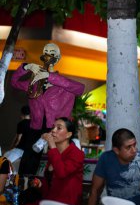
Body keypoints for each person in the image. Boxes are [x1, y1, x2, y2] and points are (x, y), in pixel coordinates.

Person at [11, 43, 85, 175]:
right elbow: (14, 82)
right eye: (46, 51)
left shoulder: (63, 83)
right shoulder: (33, 83)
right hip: (36, 127)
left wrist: (49, 76)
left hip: (56, 128)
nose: (48, 55)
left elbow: (80, 88)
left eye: (52, 52)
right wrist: (25, 67)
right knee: (28, 163)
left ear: (58, 57)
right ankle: (26, 187)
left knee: (57, 165)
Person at [88, 128, 140, 205]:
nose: (134, 150)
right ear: (116, 150)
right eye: (128, 147)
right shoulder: (106, 158)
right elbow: (95, 191)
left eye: (134, 145)